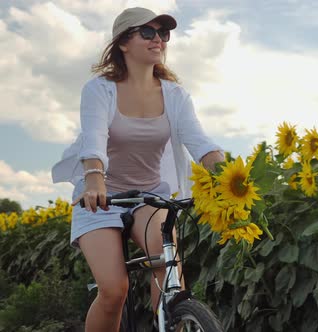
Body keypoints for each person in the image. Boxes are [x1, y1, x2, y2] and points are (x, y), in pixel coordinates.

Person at [51, 7, 224, 331]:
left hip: (148, 195)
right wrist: (94, 180)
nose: (158, 39)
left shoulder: (175, 95)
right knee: (114, 289)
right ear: (123, 43)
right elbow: (94, 139)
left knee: (169, 270)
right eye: (147, 32)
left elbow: (200, 142)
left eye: (163, 33)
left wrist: (229, 178)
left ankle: (170, 323)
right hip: (100, 197)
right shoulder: (99, 89)